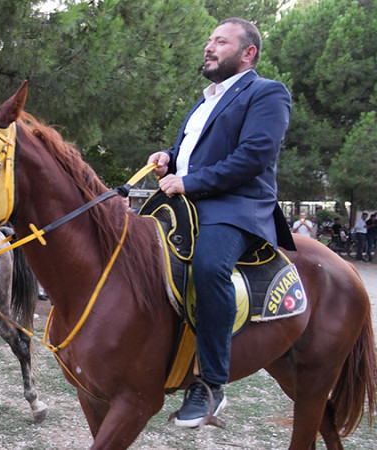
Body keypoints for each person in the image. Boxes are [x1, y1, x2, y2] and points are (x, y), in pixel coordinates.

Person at [146, 17, 291, 427]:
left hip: (236, 208)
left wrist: (188, 180)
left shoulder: (267, 93)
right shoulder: (205, 100)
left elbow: (253, 156)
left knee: (209, 266)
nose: (209, 47)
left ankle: (210, 385)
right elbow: (194, 154)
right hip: (188, 204)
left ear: (248, 53)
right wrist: (169, 158)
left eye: (221, 42)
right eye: (209, 40)